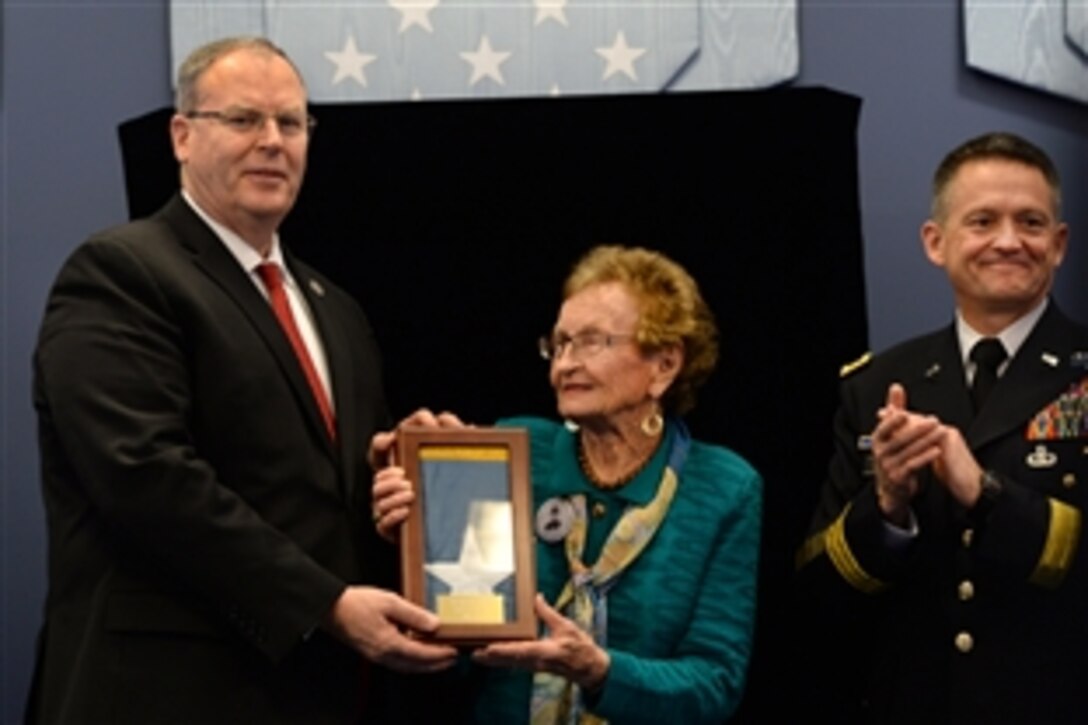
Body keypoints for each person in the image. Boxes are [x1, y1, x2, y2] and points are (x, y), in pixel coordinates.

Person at [26, 36, 456, 724]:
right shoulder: (121, 272)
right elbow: (144, 475)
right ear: (182, 136)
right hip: (166, 693)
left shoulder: (334, 308)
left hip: (316, 692)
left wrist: (405, 476)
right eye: (243, 119)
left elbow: (323, 505)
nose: (272, 141)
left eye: (291, 123)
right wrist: (324, 604)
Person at [372, 245, 763, 723]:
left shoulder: (725, 488)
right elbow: (451, 655)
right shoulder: (513, 452)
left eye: (592, 342)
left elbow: (714, 683)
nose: (565, 363)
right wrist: (422, 536)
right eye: (559, 344)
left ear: (664, 364)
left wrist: (600, 671)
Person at [796, 132, 1088, 722]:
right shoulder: (877, 384)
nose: (1008, 241)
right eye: (982, 221)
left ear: (1058, 246)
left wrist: (987, 495)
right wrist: (888, 507)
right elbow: (817, 593)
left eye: (1030, 223)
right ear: (937, 242)